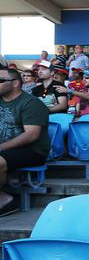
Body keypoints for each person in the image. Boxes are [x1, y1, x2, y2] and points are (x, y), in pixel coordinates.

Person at [0, 68, 49, 216]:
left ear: (15, 83)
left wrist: (1, 147)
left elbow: (31, 135)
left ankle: (4, 200)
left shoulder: (31, 103)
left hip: (32, 150)